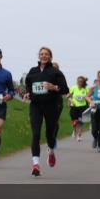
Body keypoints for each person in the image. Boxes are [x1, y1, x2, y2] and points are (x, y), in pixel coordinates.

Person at [23, 47, 69, 176]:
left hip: (51, 106)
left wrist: (54, 87)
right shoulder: (33, 71)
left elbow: (65, 89)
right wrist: (27, 93)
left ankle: (51, 151)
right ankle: (36, 165)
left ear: (50, 57)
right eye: (41, 54)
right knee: (36, 134)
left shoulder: (55, 72)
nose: (43, 56)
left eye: (46, 54)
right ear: (39, 56)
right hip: (36, 106)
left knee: (50, 134)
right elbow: (28, 84)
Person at [68, 76, 90, 141]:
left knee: (80, 122)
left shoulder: (85, 89)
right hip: (74, 107)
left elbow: (88, 96)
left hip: (82, 107)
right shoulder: (73, 88)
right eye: (78, 81)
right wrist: (71, 100)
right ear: (77, 82)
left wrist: (90, 100)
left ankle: (79, 136)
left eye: (81, 81)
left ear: (83, 82)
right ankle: (74, 131)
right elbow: (68, 96)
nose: (79, 82)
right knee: (75, 122)